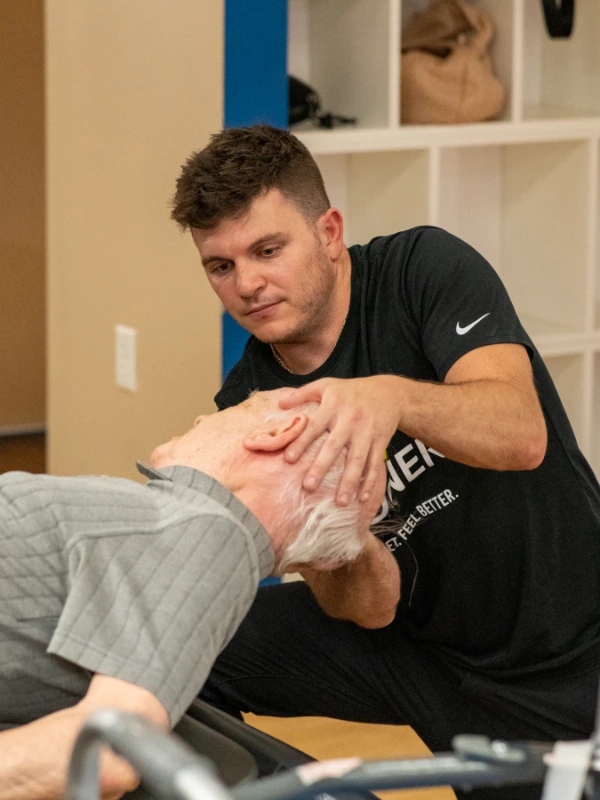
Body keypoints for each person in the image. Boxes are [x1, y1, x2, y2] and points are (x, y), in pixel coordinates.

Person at [170, 124, 600, 799]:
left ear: (330, 232)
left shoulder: (420, 271)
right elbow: (369, 607)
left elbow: (522, 436)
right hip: (417, 649)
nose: (246, 284)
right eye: (220, 266)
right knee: (181, 650)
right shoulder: (251, 405)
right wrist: (345, 538)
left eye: (267, 249)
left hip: (569, 639)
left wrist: (390, 398)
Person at [0, 389, 385, 800]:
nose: (202, 418)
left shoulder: (210, 534)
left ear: (280, 431)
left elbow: (109, 757)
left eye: (237, 410)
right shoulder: (170, 524)